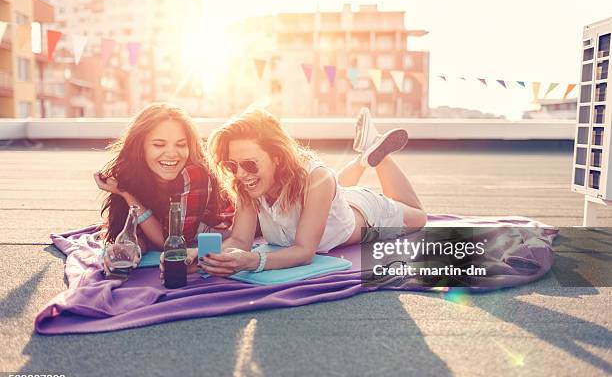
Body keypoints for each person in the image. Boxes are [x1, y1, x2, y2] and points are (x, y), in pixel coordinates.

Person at [201, 107, 426, 277]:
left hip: (370, 215)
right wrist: (204, 257)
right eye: (232, 165)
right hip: (333, 200)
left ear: (277, 158)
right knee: (330, 188)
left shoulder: (317, 179)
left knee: (419, 217)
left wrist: (251, 261)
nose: (240, 174)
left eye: (250, 164)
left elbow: (304, 251)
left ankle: (379, 154)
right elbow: (240, 240)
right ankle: (364, 157)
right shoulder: (248, 184)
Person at [94, 103, 232, 272]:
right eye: (159, 145)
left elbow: (170, 241)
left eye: (181, 144)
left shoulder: (195, 174)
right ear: (140, 148)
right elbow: (142, 234)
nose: (172, 153)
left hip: (228, 236)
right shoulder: (134, 175)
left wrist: (126, 194)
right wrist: (131, 248)